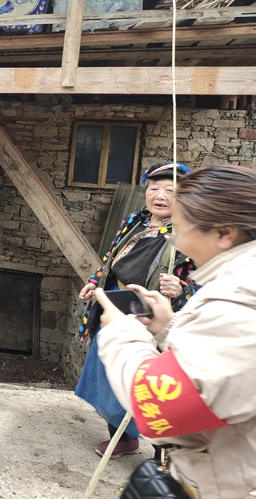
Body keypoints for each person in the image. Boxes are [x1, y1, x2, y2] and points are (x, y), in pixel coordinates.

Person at [96, 164, 256, 499]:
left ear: (224, 233)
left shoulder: (239, 302)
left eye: (180, 231)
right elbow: (220, 365)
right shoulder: (240, 284)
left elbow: (160, 407)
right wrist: (168, 327)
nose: (177, 241)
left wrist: (121, 334)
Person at [75, 161, 197, 459]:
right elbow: (111, 259)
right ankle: (124, 437)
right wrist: (95, 282)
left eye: (171, 190)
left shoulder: (190, 233)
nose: (160, 196)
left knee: (151, 385)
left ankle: (162, 456)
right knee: (111, 374)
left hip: (155, 320)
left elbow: (204, 284)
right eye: (154, 188)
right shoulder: (135, 221)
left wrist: (181, 290)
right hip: (116, 309)